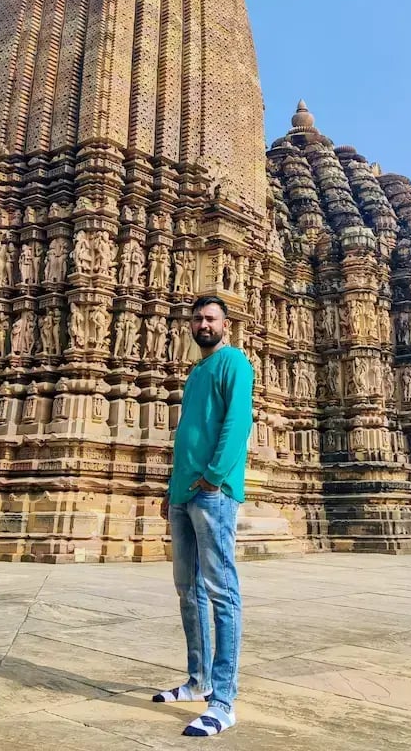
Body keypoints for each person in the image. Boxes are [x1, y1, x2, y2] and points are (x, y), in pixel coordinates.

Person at [153, 295, 254, 737]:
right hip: (183, 492)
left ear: (225, 324)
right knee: (187, 589)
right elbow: (188, 435)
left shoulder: (234, 363)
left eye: (211, 318)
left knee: (221, 590)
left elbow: (238, 423)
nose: (203, 324)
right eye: (197, 319)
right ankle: (199, 680)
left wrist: (214, 477)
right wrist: (171, 490)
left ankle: (223, 700)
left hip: (213, 493)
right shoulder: (196, 372)